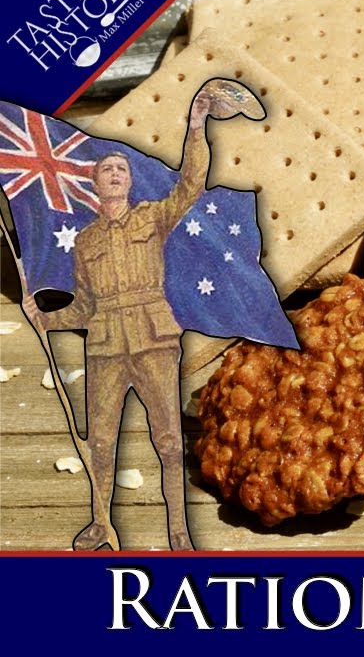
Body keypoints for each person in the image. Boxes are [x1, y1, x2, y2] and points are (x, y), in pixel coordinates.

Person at [23, 79, 262, 550]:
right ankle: (100, 522)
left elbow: (191, 184)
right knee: (101, 442)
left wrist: (196, 126)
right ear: (95, 183)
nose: (114, 174)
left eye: (120, 170)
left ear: (129, 182)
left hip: (154, 338)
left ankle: (178, 531)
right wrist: (44, 319)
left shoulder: (152, 217)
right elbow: (85, 307)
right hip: (106, 347)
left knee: (170, 442)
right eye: (106, 170)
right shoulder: (87, 242)